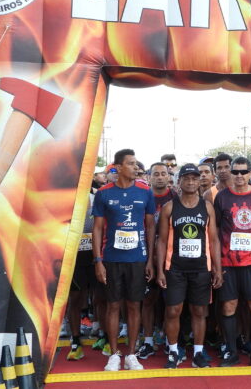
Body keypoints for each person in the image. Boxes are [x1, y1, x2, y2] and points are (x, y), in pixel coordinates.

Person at [92, 149, 156, 372]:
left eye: (136, 163)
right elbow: (97, 229)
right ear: (118, 167)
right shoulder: (104, 193)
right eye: (130, 163)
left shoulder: (145, 191)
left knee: (134, 305)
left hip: (137, 258)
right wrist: (98, 260)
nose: (136, 167)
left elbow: (150, 226)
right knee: (113, 305)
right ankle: (113, 354)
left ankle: (131, 354)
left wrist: (149, 259)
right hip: (112, 258)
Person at [156, 164, 223, 369]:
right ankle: (174, 352)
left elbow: (213, 240)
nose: (191, 182)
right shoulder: (170, 207)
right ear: (179, 182)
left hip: (201, 268)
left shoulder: (207, 207)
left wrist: (217, 269)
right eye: (187, 178)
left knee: (199, 311)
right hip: (175, 268)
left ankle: (198, 353)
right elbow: (161, 241)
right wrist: (160, 269)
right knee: (173, 310)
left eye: (195, 178)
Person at [213, 157, 251, 367]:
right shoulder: (222, 197)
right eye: (235, 172)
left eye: (243, 172)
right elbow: (216, 231)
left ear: (250, 173)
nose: (239, 176)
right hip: (228, 262)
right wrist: (217, 264)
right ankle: (231, 353)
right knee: (229, 306)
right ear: (231, 173)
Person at [136, 163, 177, 360]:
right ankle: (148, 341)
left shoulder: (176, 197)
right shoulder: (143, 196)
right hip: (147, 257)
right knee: (148, 301)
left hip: (172, 259)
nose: (160, 177)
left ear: (169, 177)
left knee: (172, 302)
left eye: (163, 174)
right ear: (149, 177)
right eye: (156, 174)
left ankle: (171, 343)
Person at [67, 191, 107, 360]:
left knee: (101, 298)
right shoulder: (66, 198)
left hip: (95, 256)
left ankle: (103, 335)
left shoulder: (96, 197)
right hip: (75, 258)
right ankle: (76, 340)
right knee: (75, 298)